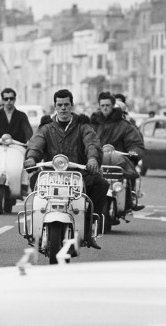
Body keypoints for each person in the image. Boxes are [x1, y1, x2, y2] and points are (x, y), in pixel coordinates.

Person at [24, 89, 108, 249]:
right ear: (55, 106)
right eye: (59, 105)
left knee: (101, 185)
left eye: (66, 105)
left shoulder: (83, 126)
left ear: (72, 106)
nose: (63, 108)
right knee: (35, 179)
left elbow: (92, 143)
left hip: (79, 174)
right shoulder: (47, 127)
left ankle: (89, 229)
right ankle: (35, 225)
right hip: (51, 173)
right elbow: (36, 143)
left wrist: (92, 159)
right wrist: (31, 158)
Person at [90, 91, 145, 212]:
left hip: (118, 162)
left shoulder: (124, 125)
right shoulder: (92, 123)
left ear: (113, 105)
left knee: (128, 176)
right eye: (102, 105)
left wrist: (134, 152)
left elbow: (136, 144)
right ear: (99, 106)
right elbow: (82, 140)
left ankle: (128, 201)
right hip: (96, 162)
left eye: (108, 105)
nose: (105, 108)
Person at [0, 87, 33, 196]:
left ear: (15, 99)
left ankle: (23, 185)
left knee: (26, 159)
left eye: (11, 98)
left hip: (17, 145)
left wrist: (29, 140)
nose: (9, 101)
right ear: (2, 100)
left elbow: (27, 128)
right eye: (6, 99)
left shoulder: (21, 115)